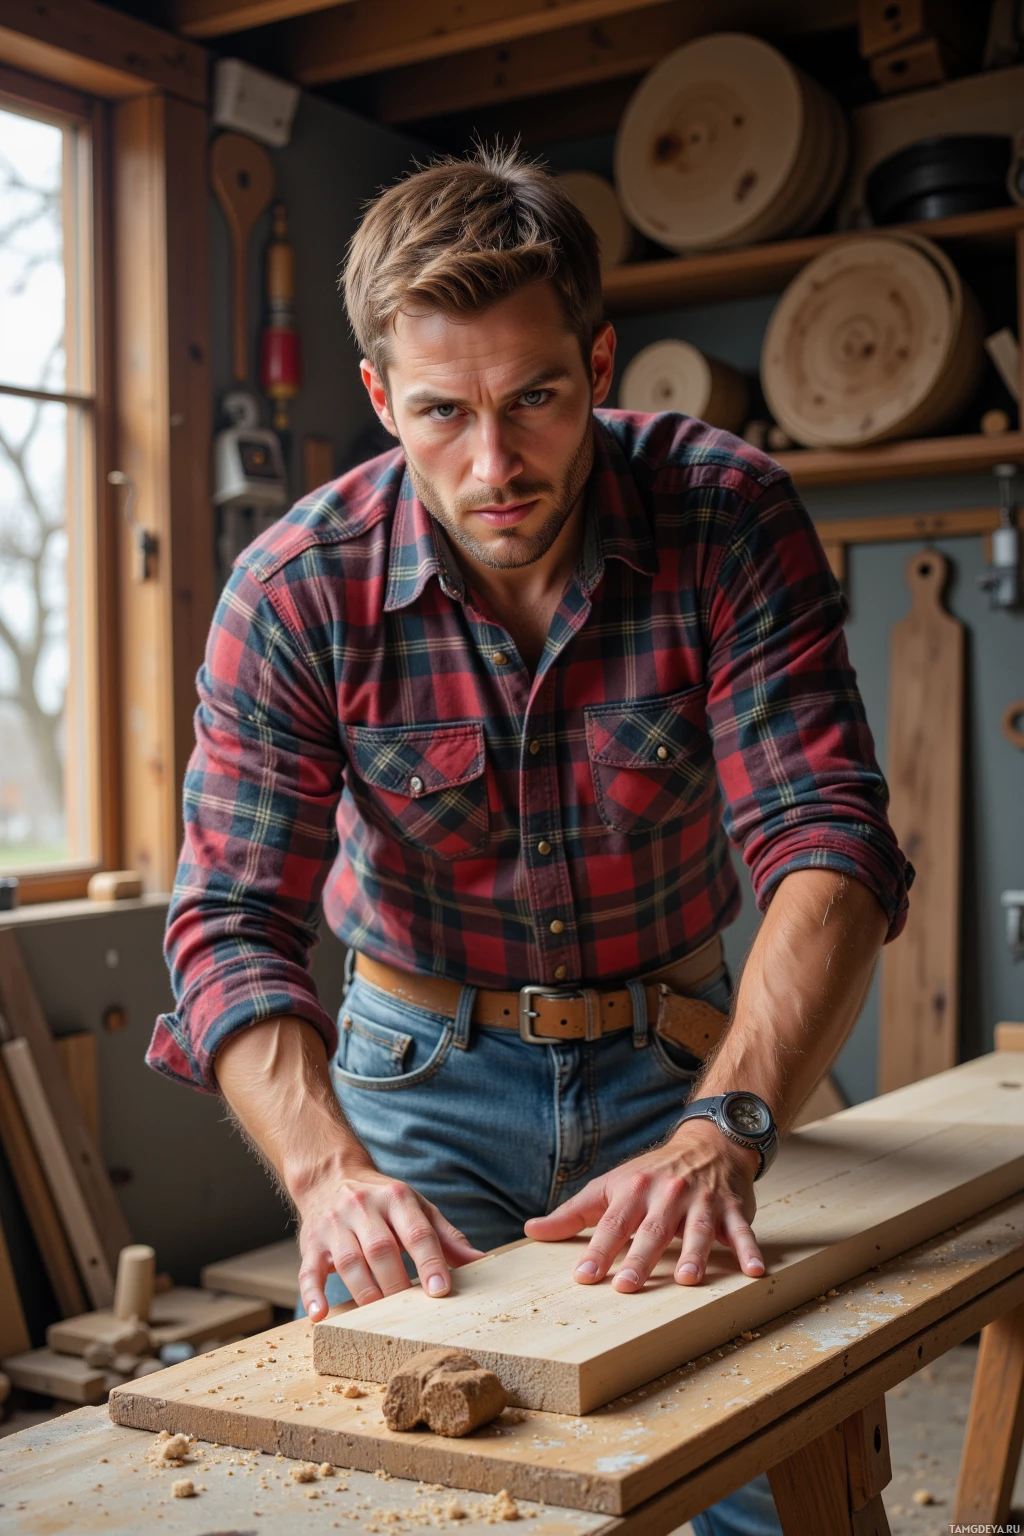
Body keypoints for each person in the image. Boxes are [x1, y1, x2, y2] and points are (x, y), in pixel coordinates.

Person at [151, 145, 912, 1535]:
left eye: (538, 401)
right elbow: (228, 922)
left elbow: (829, 843)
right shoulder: (294, 590)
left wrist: (727, 1122)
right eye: (443, 413)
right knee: (410, 1497)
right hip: (413, 1089)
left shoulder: (725, 514)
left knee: (752, 1487)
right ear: (381, 397)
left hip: (675, 1062)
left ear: (601, 363)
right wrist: (329, 1179)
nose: (495, 466)